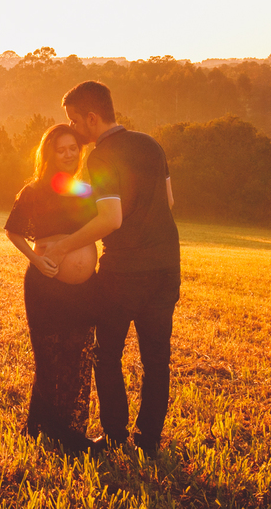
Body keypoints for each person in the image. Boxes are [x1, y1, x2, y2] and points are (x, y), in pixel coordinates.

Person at [44, 80, 180, 456]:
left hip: (124, 272)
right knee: (157, 360)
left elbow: (111, 218)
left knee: (107, 355)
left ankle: (116, 436)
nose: (74, 128)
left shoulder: (101, 155)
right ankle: (148, 441)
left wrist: (63, 246)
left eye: (75, 120)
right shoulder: (152, 145)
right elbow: (168, 201)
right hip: (167, 266)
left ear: (92, 117)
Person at [4, 124, 99, 453]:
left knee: (77, 358)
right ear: (50, 153)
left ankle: (67, 431)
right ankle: (47, 430)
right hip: (44, 285)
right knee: (49, 358)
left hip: (83, 291)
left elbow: (100, 225)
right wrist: (36, 260)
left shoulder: (84, 190)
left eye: (73, 148)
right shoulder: (34, 190)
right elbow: (13, 231)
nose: (69, 154)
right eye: (62, 149)